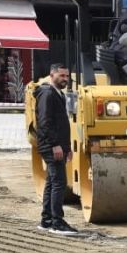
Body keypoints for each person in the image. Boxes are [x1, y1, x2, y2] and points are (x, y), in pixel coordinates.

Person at [34, 64, 79, 235]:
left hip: (56, 145)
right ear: (51, 75)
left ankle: (46, 221)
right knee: (59, 182)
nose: (65, 79)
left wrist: (66, 147)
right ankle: (56, 222)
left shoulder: (56, 94)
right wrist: (55, 145)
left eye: (67, 76)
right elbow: (45, 123)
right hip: (51, 146)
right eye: (61, 75)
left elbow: (60, 124)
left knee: (52, 182)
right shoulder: (47, 93)